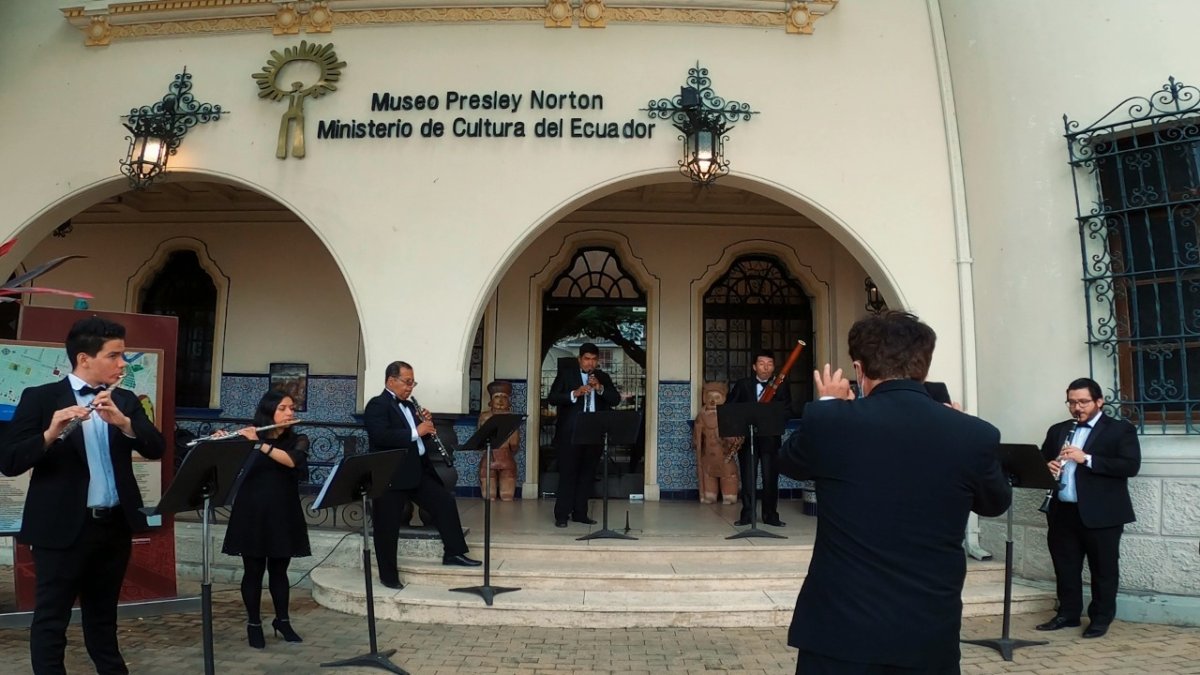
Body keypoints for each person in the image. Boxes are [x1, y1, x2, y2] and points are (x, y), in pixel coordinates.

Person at [778, 311, 1011, 674]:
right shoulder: (973, 434)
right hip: (927, 632)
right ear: (924, 366)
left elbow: (790, 462)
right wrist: (961, 432)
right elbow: (995, 503)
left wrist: (827, 405)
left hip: (840, 631)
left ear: (859, 369)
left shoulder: (832, 420)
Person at [0, 316, 166, 675]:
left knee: (104, 618)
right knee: (51, 620)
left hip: (114, 526)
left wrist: (124, 423)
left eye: (124, 355)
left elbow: (157, 448)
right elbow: (9, 461)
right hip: (60, 530)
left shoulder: (125, 400)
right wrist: (49, 434)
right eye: (114, 355)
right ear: (84, 359)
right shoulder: (40, 398)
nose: (123, 364)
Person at [1035, 377, 1140, 639]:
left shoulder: (1120, 430)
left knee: (1103, 569)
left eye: (1083, 402)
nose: (1077, 408)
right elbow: (1042, 460)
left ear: (1099, 401)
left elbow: (1130, 466)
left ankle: (1100, 619)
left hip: (1102, 513)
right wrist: (1047, 467)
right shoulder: (1058, 430)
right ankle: (1068, 614)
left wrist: (1087, 458)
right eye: (1072, 402)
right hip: (1063, 511)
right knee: (1065, 567)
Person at [364, 361, 480, 589]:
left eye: (412, 383)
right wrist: (417, 430)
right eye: (407, 382)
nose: (410, 387)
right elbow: (380, 436)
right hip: (390, 473)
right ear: (391, 381)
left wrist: (426, 426)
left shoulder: (409, 406)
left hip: (416, 469)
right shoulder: (377, 405)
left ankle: (454, 552)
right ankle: (388, 576)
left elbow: (418, 437)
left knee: (444, 502)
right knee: (387, 525)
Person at [218, 390, 311, 648]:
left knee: (279, 571)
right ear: (269, 411)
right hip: (252, 511)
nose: (289, 413)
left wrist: (259, 444)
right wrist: (220, 442)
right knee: (253, 571)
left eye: (291, 408)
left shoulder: (298, 439)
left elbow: (291, 461)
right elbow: (225, 465)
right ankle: (254, 624)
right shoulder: (248, 437)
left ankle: (282, 621)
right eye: (283, 408)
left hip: (283, 511)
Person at [546, 342, 620, 528]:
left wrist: (600, 388)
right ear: (580, 359)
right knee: (568, 473)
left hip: (594, 433)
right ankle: (562, 515)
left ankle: (580, 513)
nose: (590, 363)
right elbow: (552, 397)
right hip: (570, 433)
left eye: (594, 359)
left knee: (587, 474)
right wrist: (575, 393)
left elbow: (615, 400)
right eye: (587, 359)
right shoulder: (567, 375)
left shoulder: (603, 377)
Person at [727, 349, 793, 527]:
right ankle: (747, 515)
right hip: (748, 439)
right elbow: (731, 408)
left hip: (770, 439)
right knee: (748, 478)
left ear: (774, 367)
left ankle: (771, 516)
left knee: (770, 478)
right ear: (754, 367)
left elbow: (788, 410)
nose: (766, 367)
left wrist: (772, 416)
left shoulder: (781, 385)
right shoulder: (743, 385)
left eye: (770, 364)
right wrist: (735, 430)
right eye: (762, 364)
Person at [477, 380, 521, 501]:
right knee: (505, 495)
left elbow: (480, 440)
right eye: (497, 397)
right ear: (491, 401)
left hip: (492, 458)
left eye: (504, 397)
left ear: (509, 401)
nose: (500, 400)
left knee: (494, 495)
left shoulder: (484, 417)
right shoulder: (487, 417)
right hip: (502, 457)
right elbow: (514, 444)